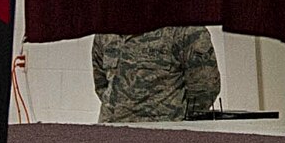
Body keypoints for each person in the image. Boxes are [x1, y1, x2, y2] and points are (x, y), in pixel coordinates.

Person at [92, 25, 221, 123]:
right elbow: (101, 83)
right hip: (110, 131)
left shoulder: (185, 30)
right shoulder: (106, 31)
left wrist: (178, 119)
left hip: (163, 134)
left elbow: (206, 88)